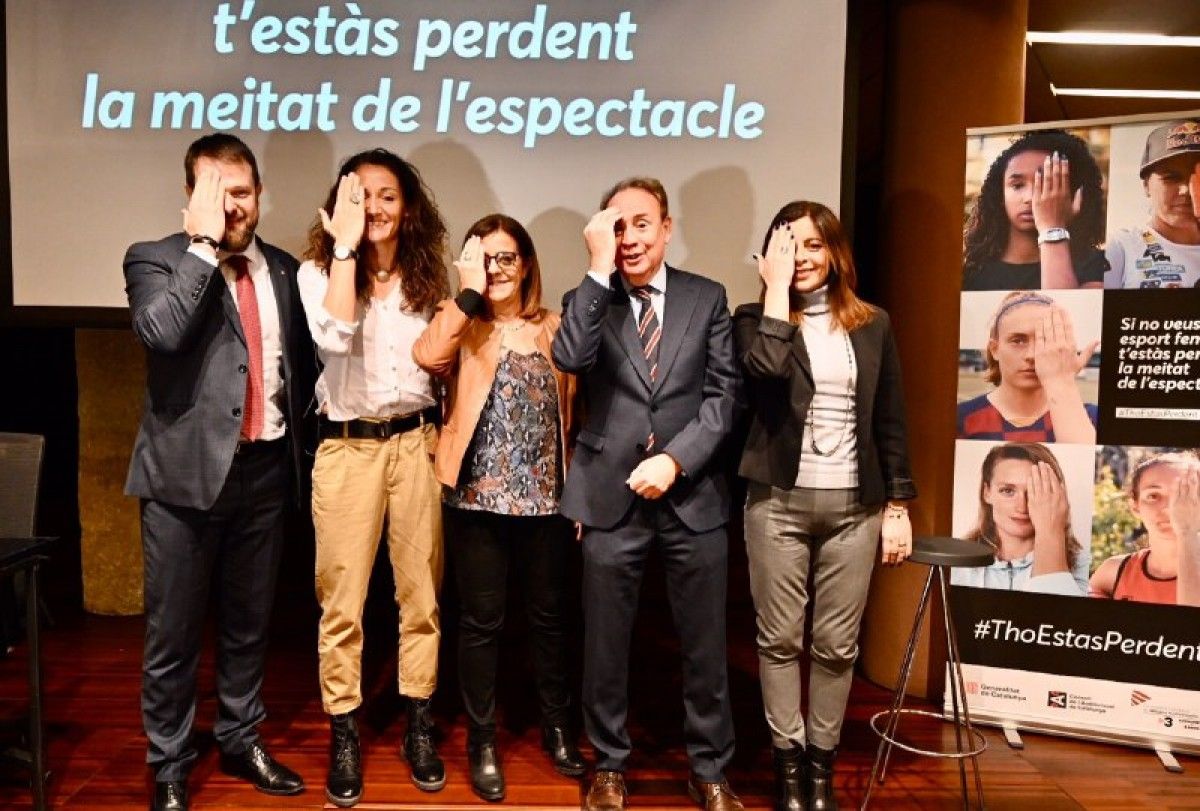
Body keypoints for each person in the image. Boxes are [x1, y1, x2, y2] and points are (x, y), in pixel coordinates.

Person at [124, 133, 313, 811]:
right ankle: (170, 762)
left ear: (260, 195)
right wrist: (203, 249)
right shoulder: (155, 259)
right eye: (214, 191)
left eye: (240, 191)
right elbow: (163, 333)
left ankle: (241, 735)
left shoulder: (286, 269)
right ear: (189, 197)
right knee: (173, 634)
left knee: (248, 622)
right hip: (182, 482)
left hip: (264, 472)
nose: (231, 206)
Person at [551, 178, 744, 811]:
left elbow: (722, 400)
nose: (630, 236)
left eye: (641, 223)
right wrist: (595, 269)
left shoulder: (706, 297)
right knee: (605, 643)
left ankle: (709, 768)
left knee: (705, 644)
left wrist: (676, 460)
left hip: (692, 495)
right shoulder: (591, 298)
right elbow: (571, 359)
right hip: (609, 495)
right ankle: (608, 763)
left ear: (666, 228)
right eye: (618, 225)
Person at [734, 201, 916, 811]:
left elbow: (890, 419)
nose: (803, 258)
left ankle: (820, 765)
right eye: (789, 247)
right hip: (777, 504)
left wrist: (897, 505)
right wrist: (776, 295)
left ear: (835, 252)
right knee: (779, 639)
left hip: (854, 508)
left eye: (813, 245)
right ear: (770, 257)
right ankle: (787, 765)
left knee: (837, 646)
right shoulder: (752, 320)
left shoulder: (873, 324)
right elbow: (765, 371)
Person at [413, 214, 585, 801]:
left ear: (528, 263)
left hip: (547, 504)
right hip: (476, 501)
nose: (497, 269)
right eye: (484, 258)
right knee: (481, 624)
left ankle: (559, 726)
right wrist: (465, 294)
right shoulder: (462, 322)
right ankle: (482, 740)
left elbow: (576, 419)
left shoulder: (556, 328)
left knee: (550, 620)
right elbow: (428, 354)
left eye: (507, 257)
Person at [297, 149, 448, 807]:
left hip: (416, 444)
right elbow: (333, 335)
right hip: (348, 451)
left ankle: (419, 723)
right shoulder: (316, 273)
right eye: (361, 196)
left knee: (422, 598)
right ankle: (345, 730)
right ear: (340, 205)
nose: (376, 208)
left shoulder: (428, 280)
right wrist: (345, 248)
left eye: (387, 196)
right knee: (342, 603)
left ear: (408, 206)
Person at [963, 129, 1107, 290]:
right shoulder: (973, 275)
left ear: (1075, 195)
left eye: (1048, 184)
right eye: (1017, 185)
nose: (1030, 198)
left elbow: (1062, 312)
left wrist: (1052, 228)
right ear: (1000, 195)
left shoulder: (1096, 265)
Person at [956, 291, 1098, 444]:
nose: (1032, 355)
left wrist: (1061, 382)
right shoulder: (960, 417)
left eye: (1044, 341)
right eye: (1018, 341)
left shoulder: (1092, 418)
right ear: (994, 349)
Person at [951, 443, 1087, 595]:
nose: (1021, 506)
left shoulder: (1083, 564)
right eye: (1008, 491)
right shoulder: (956, 564)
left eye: (1034, 492)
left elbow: (1058, 615)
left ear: (1055, 495)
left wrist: (1049, 531)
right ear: (987, 492)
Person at [1090, 451, 1200, 606]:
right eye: (1154, 496)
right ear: (1135, 506)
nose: (1170, 508)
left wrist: (1187, 533)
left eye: (1184, 496)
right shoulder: (1113, 574)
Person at [1105, 120, 1200, 289]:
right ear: (1146, 186)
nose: (1186, 189)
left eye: (1197, 178)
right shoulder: (1121, 247)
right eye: (1171, 177)